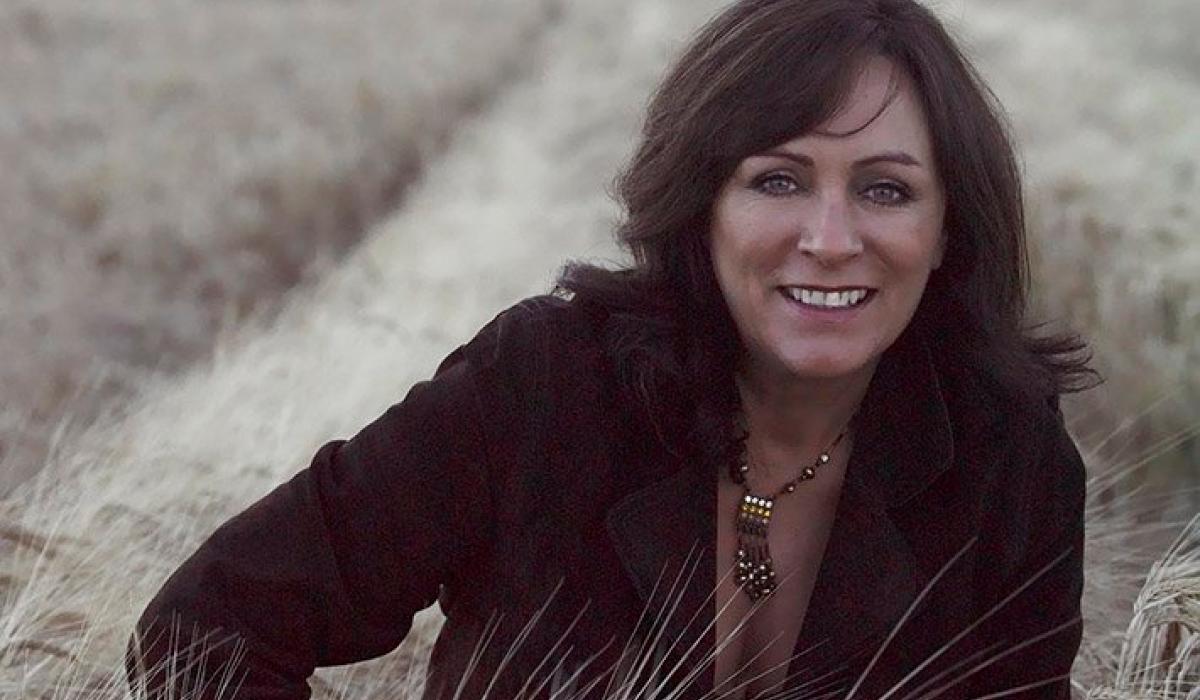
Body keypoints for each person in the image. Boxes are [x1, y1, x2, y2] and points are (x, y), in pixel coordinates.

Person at [126, 0, 1098, 698]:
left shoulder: (1009, 458)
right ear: (702, 208)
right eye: (779, 179)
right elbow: (206, 629)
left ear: (948, 228)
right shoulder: (544, 385)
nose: (831, 237)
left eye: (886, 189)